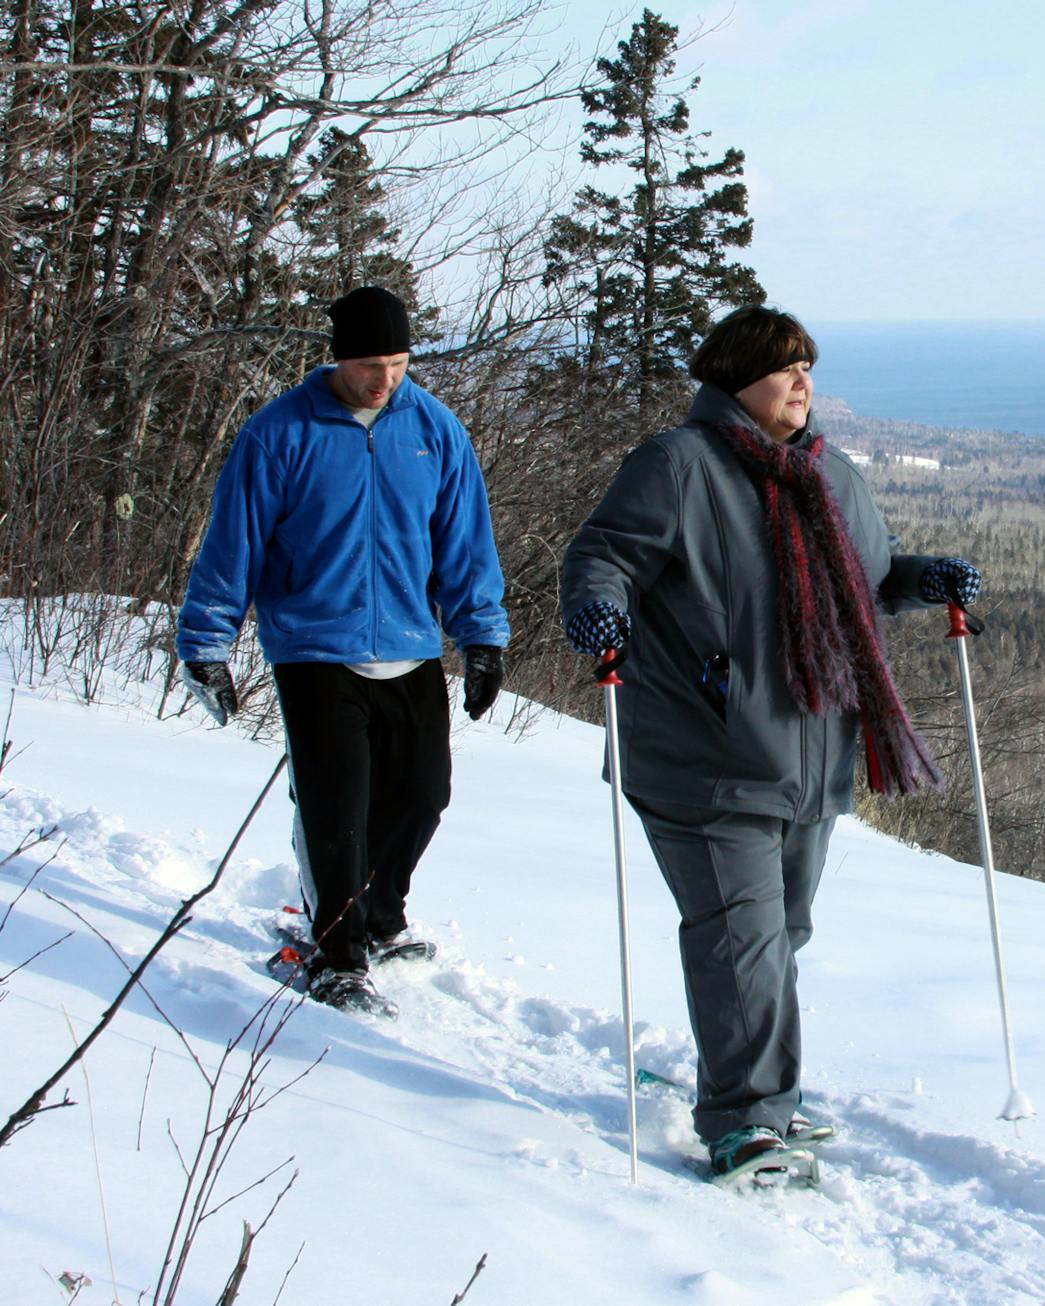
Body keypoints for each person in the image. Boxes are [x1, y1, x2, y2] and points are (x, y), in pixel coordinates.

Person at [560, 305, 982, 1177]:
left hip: (811, 758)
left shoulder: (832, 476)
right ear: (738, 377)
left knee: (778, 931)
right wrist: (597, 609)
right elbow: (603, 554)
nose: (804, 384)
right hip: (704, 753)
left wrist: (921, 578)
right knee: (741, 937)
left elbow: (869, 574)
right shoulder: (677, 466)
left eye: (809, 369)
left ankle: (759, 1095)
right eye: (787, 368)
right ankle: (747, 1118)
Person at [176, 286, 510, 1016]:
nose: (385, 379)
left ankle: (379, 917)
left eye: (396, 362)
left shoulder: (435, 430)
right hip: (313, 647)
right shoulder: (279, 433)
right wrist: (206, 643)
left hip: (410, 645)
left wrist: (481, 636)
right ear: (337, 359)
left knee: (423, 795)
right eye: (368, 365)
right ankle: (335, 952)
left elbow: (464, 545)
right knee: (337, 809)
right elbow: (232, 547)